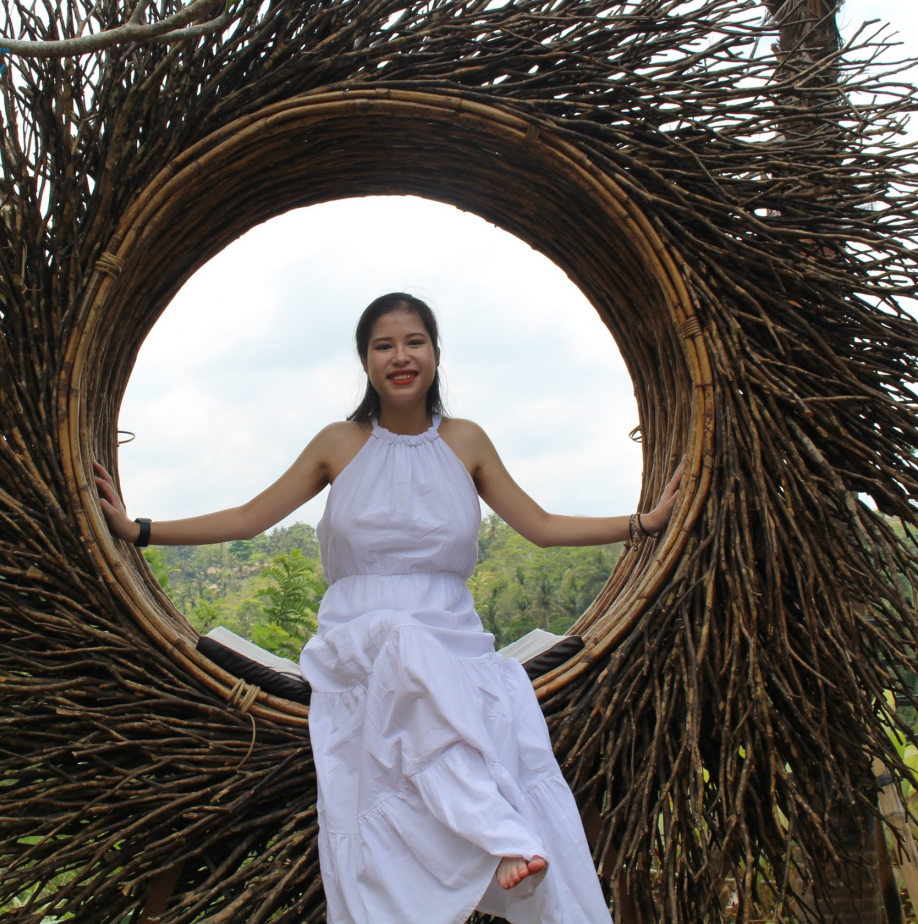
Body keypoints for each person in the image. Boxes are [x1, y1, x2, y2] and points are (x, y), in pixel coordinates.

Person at [94, 293, 684, 924]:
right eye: (384, 345)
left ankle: (488, 839)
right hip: (357, 637)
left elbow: (539, 525)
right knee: (403, 640)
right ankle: (497, 834)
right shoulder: (339, 442)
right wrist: (140, 530)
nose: (400, 357)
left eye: (413, 342)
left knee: (453, 672)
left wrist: (643, 524)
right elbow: (248, 518)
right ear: (366, 361)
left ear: (435, 354)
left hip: (452, 636)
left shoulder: (466, 441)